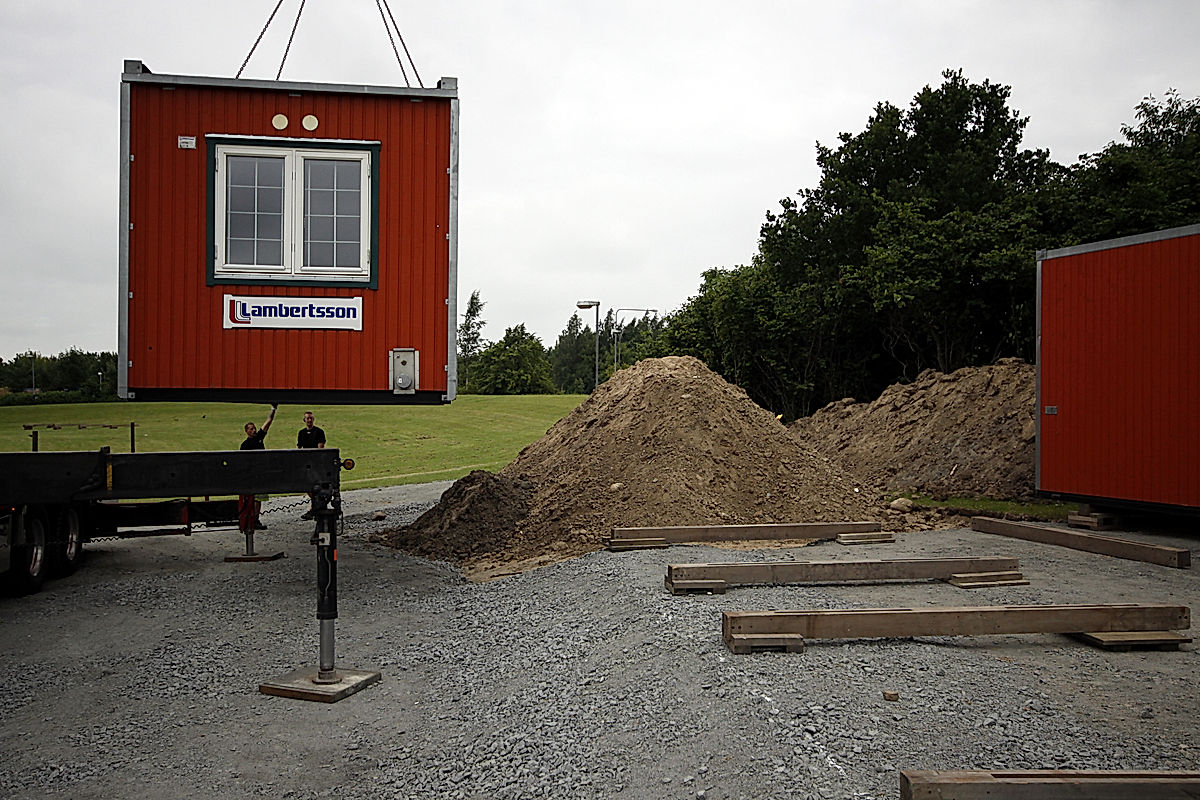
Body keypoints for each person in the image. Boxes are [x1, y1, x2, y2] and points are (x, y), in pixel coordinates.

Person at [237, 404, 276, 534]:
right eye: (251, 429)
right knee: (252, 499)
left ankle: (256, 519)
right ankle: (251, 519)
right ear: (246, 431)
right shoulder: (245, 445)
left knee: (259, 499)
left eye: (254, 428)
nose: (254, 430)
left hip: (261, 473)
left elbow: (268, 422)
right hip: (252, 474)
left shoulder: (259, 438)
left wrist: (273, 409)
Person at [297, 410, 326, 520]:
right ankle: (315, 506)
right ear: (304, 420)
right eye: (307, 418)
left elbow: (320, 448)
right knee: (307, 485)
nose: (309, 420)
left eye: (311, 418)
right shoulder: (301, 433)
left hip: (316, 462)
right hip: (306, 462)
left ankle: (315, 507)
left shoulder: (319, 432)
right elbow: (299, 448)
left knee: (316, 485)